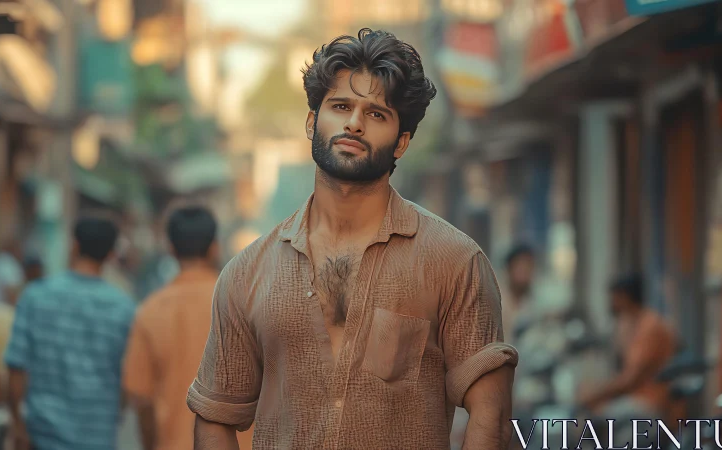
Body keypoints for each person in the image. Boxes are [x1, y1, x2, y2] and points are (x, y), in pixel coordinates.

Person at [187, 28, 518, 450]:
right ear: (312, 121)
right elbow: (216, 417)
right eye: (340, 106)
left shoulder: (453, 261)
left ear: (401, 143)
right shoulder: (248, 273)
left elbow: (491, 414)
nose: (354, 123)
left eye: (377, 114)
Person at [123, 206, 253, 450]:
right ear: (214, 247)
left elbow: (142, 400)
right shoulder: (248, 304)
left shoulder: (150, 311)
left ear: (170, 249)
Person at [4, 214, 136, 450]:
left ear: (74, 246)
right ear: (110, 254)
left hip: (42, 435)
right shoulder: (123, 308)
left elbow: (16, 367)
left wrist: (17, 424)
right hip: (98, 436)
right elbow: (128, 379)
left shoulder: (36, 296)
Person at [578, 274, 677, 422]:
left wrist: (596, 395)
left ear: (625, 297)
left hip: (650, 401)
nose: (611, 302)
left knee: (594, 417)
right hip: (635, 396)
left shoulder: (650, 327)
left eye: (614, 297)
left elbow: (631, 379)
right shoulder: (630, 323)